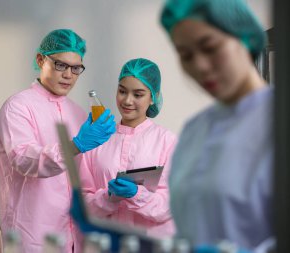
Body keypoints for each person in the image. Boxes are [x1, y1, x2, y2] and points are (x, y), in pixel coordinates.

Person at [160, 0, 274, 251]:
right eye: (186, 55)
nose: (199, 66)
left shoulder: (278, 119)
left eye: (210, 48)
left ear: (243, 36)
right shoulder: (194, 130)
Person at [0, 29, 116, 253]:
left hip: (73, 238)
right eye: (60, 65)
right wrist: (75, 145)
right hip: (30, 239)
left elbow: (85, 182)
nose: (69, 75)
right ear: (41, 60)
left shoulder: (78, 114)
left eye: (76, 68)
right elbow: (24, 160)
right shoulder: (18, 107)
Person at [78, 58, 177, 240]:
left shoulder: (167, 142)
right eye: (122, 91)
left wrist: (137, 194)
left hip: (148, 244)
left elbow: (170, 206)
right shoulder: (99, 139)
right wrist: (107, 198)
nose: (127, 101)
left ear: (153, 97)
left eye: (138, 94)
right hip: (106, 242)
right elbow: (82, 203)